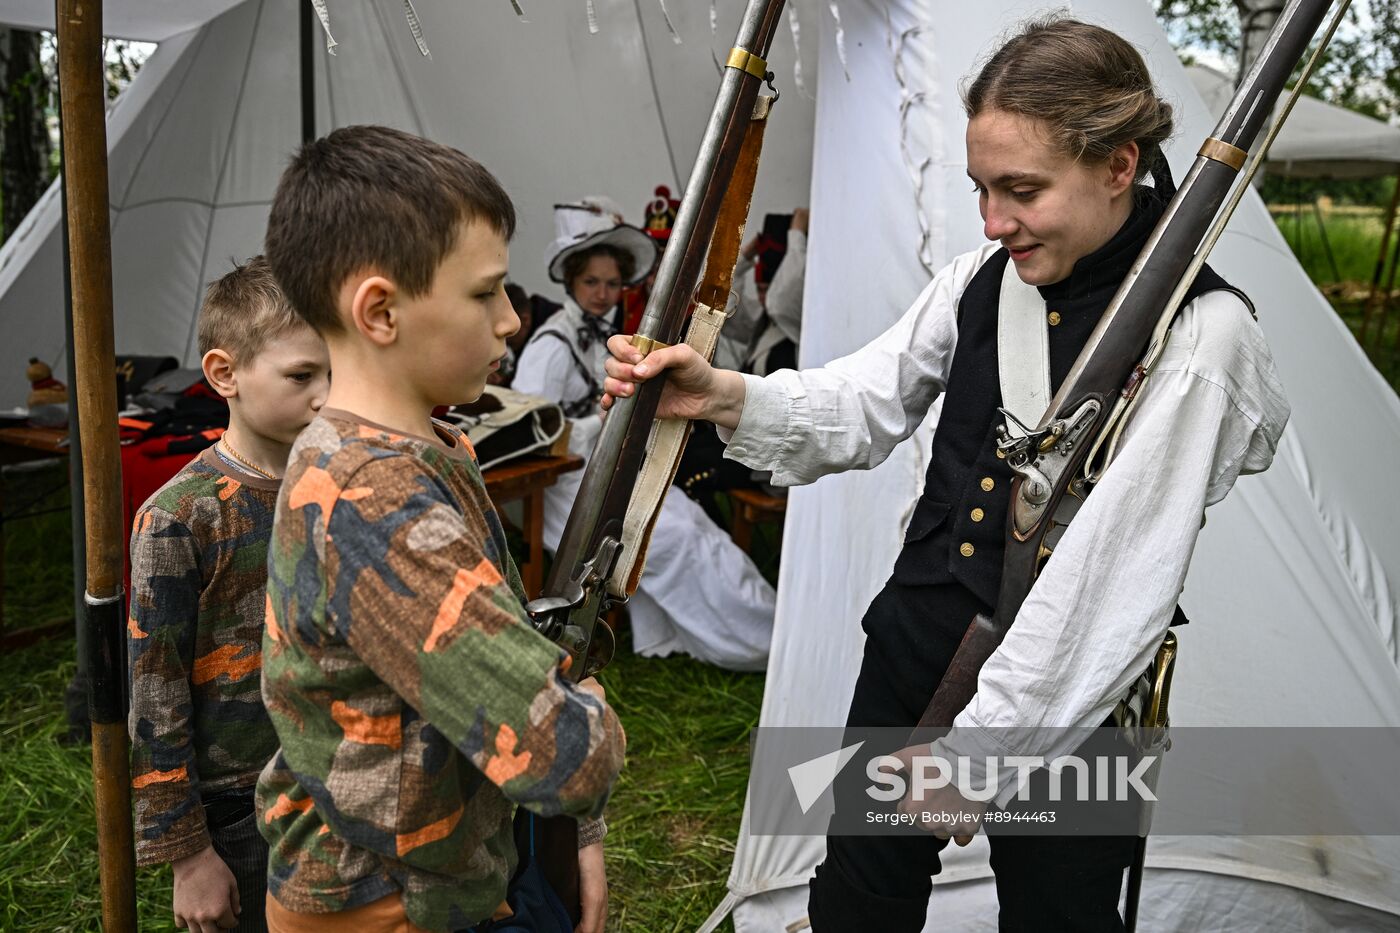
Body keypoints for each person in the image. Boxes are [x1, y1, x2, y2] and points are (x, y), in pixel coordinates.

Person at [602, 17, 1290, 931]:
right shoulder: (982, 277)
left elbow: (1109, 582)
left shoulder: (1203, 340)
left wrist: (979, 753)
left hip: (1072, 699)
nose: (993, 221)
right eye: (981, 189)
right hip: (916, 642)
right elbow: (864, 402)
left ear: (1119, 166)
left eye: (1022, 190)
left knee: (1060, 915)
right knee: (857, 893)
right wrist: (723, 393)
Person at [258, 126, 626, 933]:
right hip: (388, 904)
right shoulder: (372, 498)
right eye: (485, 292)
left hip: (449, 869)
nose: (510, 320)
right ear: (381, 310)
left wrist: (577, 830)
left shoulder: (425, 443)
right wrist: (586, 708)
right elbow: (564, 751)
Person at [128, 256, 331, 933]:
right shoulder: (181, 516)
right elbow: (155, 694)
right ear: (225, 374)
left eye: (337, 372)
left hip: (338, 783)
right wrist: (188, 853)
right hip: (236, 808)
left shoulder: (343, 485)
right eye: (303, 375)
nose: (327, 395)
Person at [513, 197, 777, 671]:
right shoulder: (548, 346)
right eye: (592, 282)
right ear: (572, 281)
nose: (602, 293)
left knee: (691, 523)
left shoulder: (606, 334)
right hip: (565, 490)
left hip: (609, 471)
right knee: (672, 539)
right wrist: (606, 420)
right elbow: (531, 437)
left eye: (612, 283)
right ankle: (751, 646)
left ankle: (768, 629)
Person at [718, 208, 808, 376]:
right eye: (759, 289)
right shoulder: (762, 321)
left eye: (768, 289)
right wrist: (744, 258)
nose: (763, 297)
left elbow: (781, 299)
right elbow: (723, 312)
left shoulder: (793, 317)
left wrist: (796, 235)